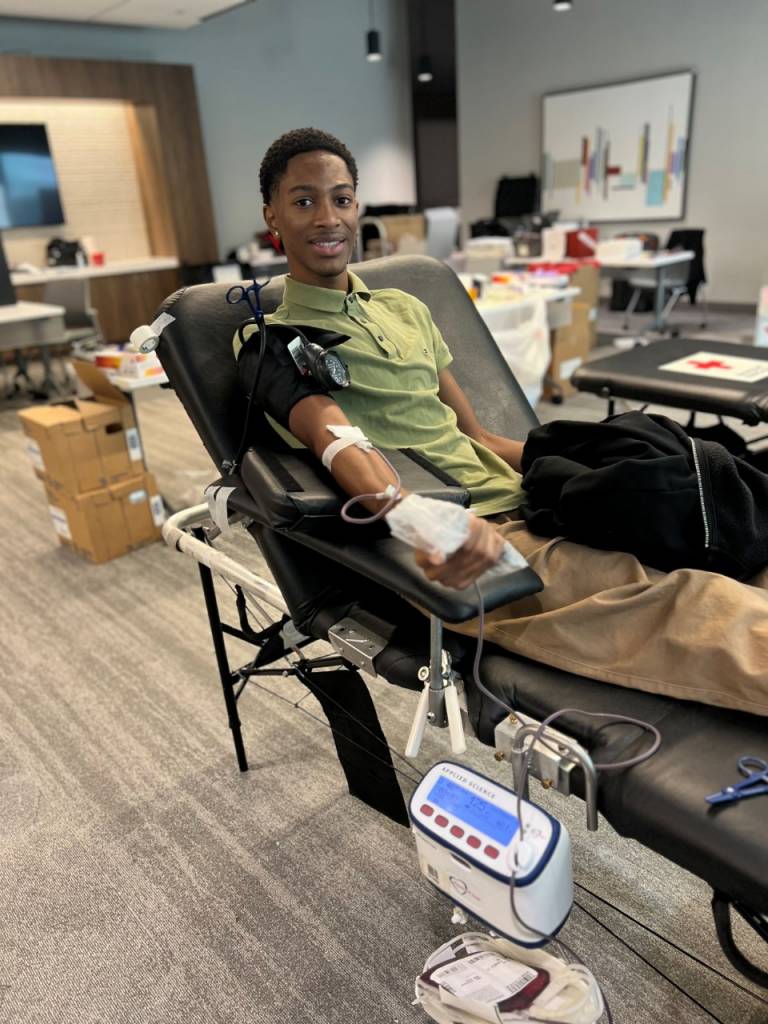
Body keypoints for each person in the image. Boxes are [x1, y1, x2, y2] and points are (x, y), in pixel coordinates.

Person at [237, 126, 768, 717]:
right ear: (273, 217)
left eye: (340, 198)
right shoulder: (270, 340)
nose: (327, 217)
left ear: (356, 206)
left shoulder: (405, 309)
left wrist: (579, 475)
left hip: (531, 501)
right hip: (458, 536)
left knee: (720, 541)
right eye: (303, 200)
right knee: (685, 604)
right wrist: (416, 519)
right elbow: (333, 437)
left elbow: (478, 435)